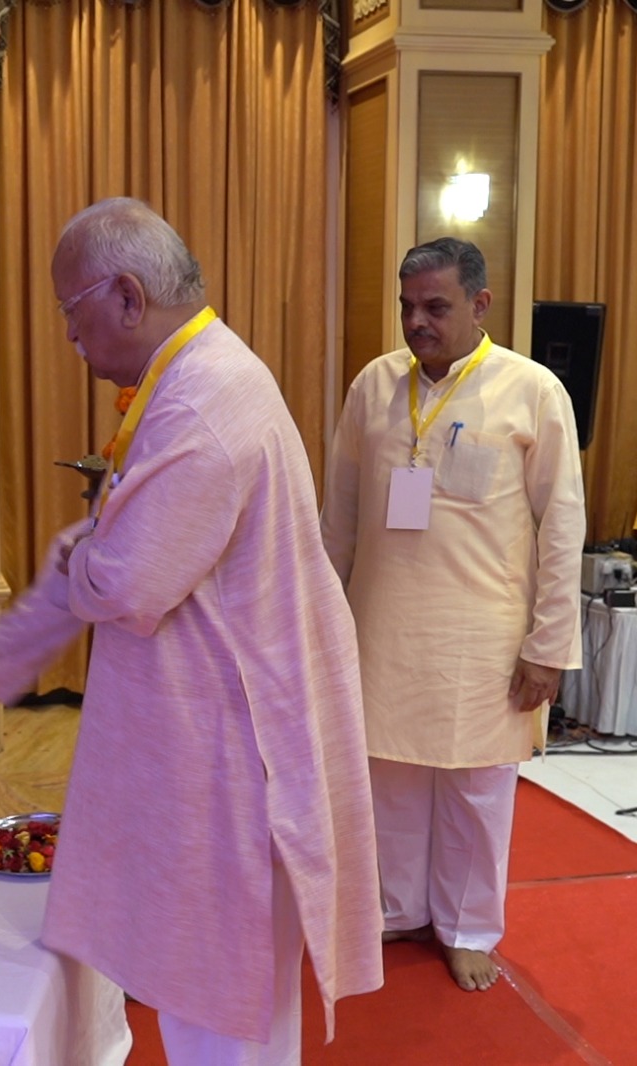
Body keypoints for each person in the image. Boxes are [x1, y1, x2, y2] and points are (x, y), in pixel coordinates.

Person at [0, 198, 383, 1064]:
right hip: (214, 736)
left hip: (225, 757)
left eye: (70, 309)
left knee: (222, 1001)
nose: (68, 334)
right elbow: (99, 558)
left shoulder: (203, 405)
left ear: (128, 297)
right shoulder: (199, 376)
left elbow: (126, 579)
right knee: (216, 991)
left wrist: (95, 550)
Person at [320, 237, 586, 994]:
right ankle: (398, 906)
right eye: (407, 306)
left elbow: (563, 527)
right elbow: (338, 519)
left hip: (485, 635)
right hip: (382, 626)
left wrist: (549, 646)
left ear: (480, 305)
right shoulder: (375, 386)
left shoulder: (532, 391)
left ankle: (469, 927)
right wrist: (320, 620)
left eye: (435, 307)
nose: (416, 322)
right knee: (391, 776)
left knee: (475, 787)